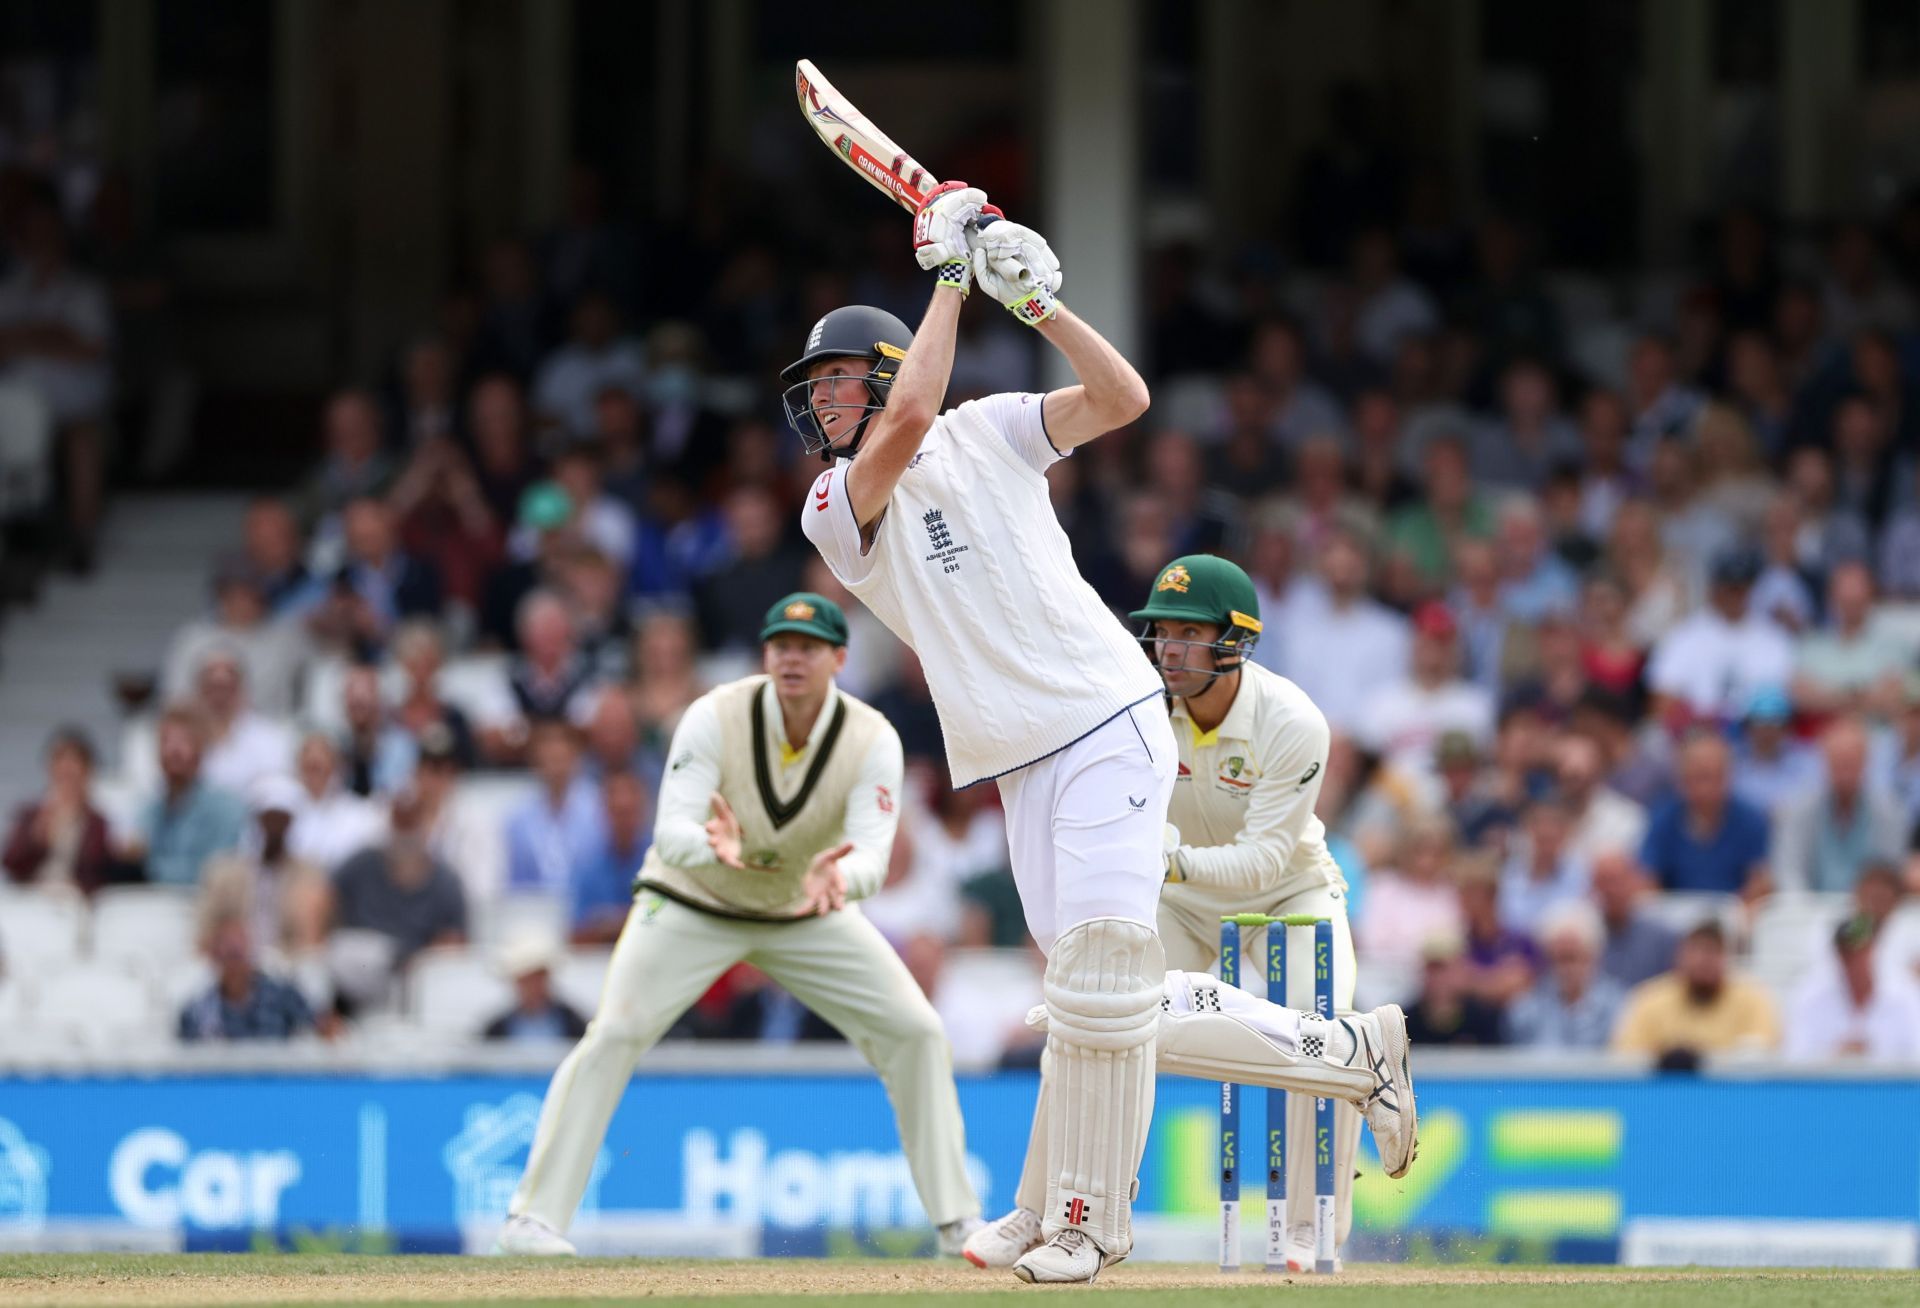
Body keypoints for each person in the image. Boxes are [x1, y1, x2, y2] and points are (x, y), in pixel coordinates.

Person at [782, 191, 1414, 1282]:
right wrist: (948, 277)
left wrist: (1039, 305)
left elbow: (1123, 398)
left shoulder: (986, 427)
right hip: (1015, 759)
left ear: (879, 374)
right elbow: (909, 422)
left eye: (840, 380)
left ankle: (1087, 1222)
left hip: (1108, 718)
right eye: (817, 388)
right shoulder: (835, 507)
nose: (823, 403)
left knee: (1102, 972)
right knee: (1091, 1000)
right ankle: (1349, 1053)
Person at [497, 594, 984, 1259]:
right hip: (693, 900)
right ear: (764, 654)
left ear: (839, 658)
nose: (792, 658)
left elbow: (871, 852)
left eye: (808, 648)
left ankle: (958, 1224)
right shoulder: (713, 716)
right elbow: (671, 830)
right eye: (781, 645)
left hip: (804, 908)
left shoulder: (872, 738)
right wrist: (711, 849)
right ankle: (531, 1220)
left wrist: (840, 880)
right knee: (614, 1034)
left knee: (917, 1031)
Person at [1120, 554, 1362, 1272]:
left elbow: (1260, 861)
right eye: (1161, 631)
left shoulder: (1291, 720)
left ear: (1234, 640)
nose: (1168, 648)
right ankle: (1068, 1212)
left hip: (1287, 891)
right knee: (1105, 1020)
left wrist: (1168, 860)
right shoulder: (1134, 706)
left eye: (1188, 633)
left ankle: (1308, 1227)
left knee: (1318, 1029)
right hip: (1182, 902)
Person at [1773, 716, 1908, 894]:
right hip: (1808, 912)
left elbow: (1891, 872)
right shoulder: (1797, 810)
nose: (1845, 773)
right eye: (1838, 764)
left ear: (1865, 764)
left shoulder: (1891, 812)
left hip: (1870, 912)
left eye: (1851, 764)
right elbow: (1788, 871)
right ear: (1824, 763)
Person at [1611, 921, 1779, 1062]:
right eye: (1694, 951)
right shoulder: (1649, 999)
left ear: (1726, 958)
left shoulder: (1752, 999)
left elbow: (1759, 1056)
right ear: (1679, 957)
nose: (1702, 961)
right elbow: (1629, 1058)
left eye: (1711, 951)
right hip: (1661, 1095)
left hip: (1732, 1096)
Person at [1639, 730, 1771, 898]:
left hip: (1732, 915)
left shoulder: (1752, 820)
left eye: (1716, 777)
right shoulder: (1662, 819)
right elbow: (1648, 880)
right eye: (1699, 778)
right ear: (1681, 778)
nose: (1707, 789)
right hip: (1674, 917)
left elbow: (1759, 880)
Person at [1783, 915, 1920, 1063]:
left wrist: (1872, 1057)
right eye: (1848, 953)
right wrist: (1836, 1058)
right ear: (1838, 955)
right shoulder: (1810, 998)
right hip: (1830, 1085)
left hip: (1893, 1085)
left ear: (1872, 949)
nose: (1855, 959)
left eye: (1861, 950)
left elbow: (1915, 1055)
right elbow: (1796, 1060)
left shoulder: (1904, 995)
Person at [176, 912, 319, 1042]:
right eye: (229, 955)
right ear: (214, 957)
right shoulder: (196, 1012)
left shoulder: (283, 996)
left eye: (238, 954)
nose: (234, 966)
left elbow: (320, 1028)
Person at [4, 728, 112, 897]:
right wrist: (37, 838)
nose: (67, 769)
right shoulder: (30, 814)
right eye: (60, 761)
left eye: (75, 762)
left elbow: (99, 871)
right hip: (31, 900)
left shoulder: (96, 822)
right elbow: (12, 863)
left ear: (87, 770)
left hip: (75, 903)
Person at [1506, 901, 1625, 1050]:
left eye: (1572, 958)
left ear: (1594, 957)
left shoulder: (1620, 1008)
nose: (1565, 969)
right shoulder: (1525, 1010)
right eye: (1557, 959)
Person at [482, 937, 589, 1042]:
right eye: (525, 980)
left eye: (537, 977)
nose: (532, 985)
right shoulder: (497, 1027)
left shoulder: (574, 1022)